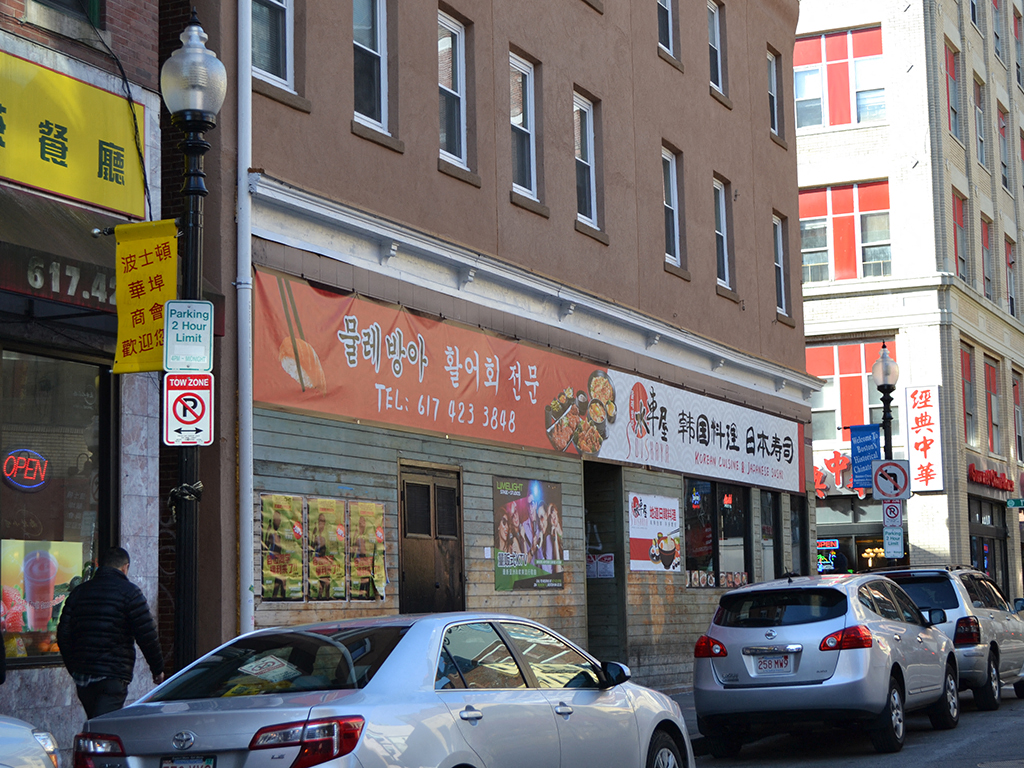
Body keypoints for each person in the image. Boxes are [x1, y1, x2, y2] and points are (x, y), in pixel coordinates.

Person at [56, 547, 164, 719]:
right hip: (113, 675)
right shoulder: (130, 593)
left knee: (96, 725)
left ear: (101, 565)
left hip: (84, 676)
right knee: (103, 730)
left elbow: (63, 634)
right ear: (125, 567)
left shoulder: (79, 592)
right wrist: (157, 669)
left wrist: (75, 667)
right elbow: (147, 635)